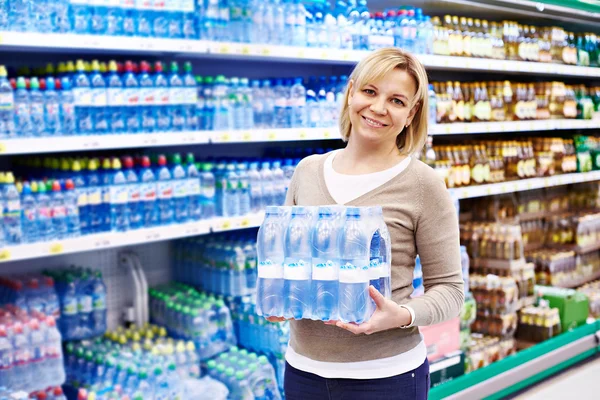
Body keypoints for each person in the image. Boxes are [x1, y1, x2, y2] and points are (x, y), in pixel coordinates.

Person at [273, 47, 465, 399]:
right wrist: (278, 302)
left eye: (396, 100)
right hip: (303, 372)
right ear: (350, 92)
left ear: (412, 113)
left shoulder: (424, 185)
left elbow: (451, 292)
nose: (378, 108)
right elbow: (287, 268)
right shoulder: (308, 171)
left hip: (386, 377)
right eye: (369, 91)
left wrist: (402, 314)